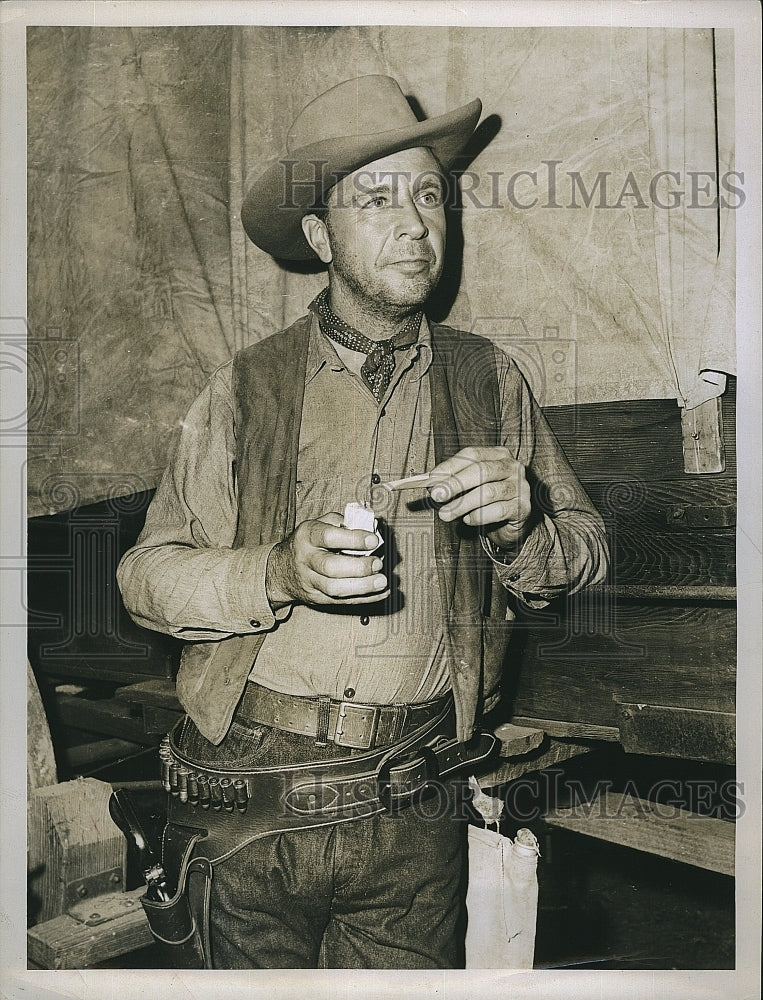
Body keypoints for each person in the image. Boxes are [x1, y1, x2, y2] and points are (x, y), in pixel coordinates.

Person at [117, 74, 608, 970]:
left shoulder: (490, 380)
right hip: (249, 802)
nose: (413, 222)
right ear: (318, 237)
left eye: (428, 195)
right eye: (374, 198)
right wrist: (274, 571)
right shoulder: (242, 388)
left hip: (415, 807)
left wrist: (521, 526)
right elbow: (145, 575)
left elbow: (580, 559)